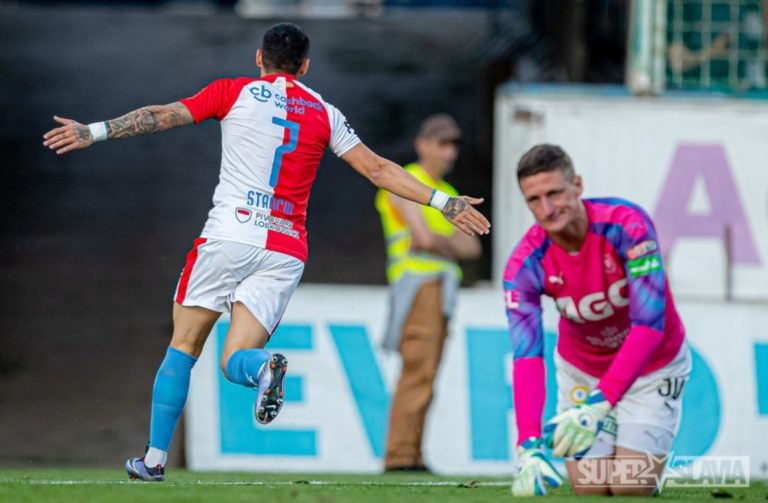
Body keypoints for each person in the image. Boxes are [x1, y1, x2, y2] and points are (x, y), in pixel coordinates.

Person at [42, 22, 490, 482]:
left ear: (260, 58)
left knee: (184, 346)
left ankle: (153, 462)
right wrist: (444, 201)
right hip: (284, 249)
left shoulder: (232, 92)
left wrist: (94, 131)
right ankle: (262, 369)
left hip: (229, 237)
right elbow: (376, 169)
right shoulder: (325, 112)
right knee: (236, 355)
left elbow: (162, 115)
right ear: (306, 67)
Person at [503, 144, 690, 496]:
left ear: (578, 185)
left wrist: (601, 403)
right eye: (534, 200)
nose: (546, 209)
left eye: (555, 193)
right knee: (590, 489)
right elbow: (527, 355)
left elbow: (650, 325)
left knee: (628, 487)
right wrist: (528, 445)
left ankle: (649, 468)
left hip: (653, 367)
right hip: (583, 372)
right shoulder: (524, 265)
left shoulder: (627, 224)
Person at [375, 114, 481, 472]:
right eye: (442, 143)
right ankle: (400, 455)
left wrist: (438, 244)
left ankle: (411, 452)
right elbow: (422, 241)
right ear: (422, 144)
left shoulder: (449, 194)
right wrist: (450, 243)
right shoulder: (406, 181)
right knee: (418, 372)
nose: (449, 153)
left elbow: (474, 251)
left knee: (426, 374)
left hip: (438, 287)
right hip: (418, 286)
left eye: (453, 145)